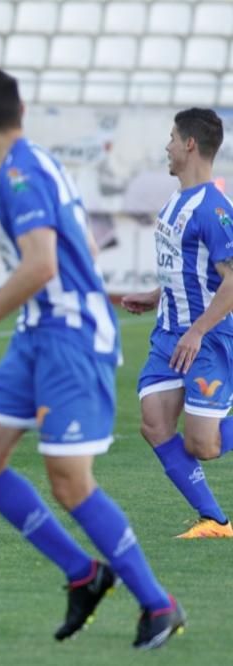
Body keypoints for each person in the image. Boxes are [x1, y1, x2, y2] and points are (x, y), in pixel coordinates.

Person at [0, 68, 184, 649]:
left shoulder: (18, 173)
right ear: (21, 111)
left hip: (69, 338)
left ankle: (159, 603)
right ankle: (84, 574)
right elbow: (83, 246)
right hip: (38, 333)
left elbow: (42, 264)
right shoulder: (36, 162)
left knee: (70, 483)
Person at [121, 108, 233, 539]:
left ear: (189, 145)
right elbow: (185, 268)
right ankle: (216, 521)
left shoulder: (213, 208)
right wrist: (155, 295)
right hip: (169, 333)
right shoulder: (175, 201)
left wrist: (199, 329)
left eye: (171, 138)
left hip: (205, 338)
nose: (166, 146)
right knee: (154, 424)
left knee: (202, 446)